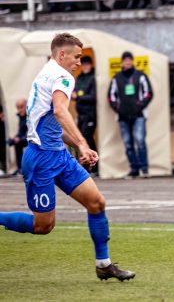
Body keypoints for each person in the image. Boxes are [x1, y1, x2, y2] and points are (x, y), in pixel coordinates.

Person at [0, 33, 135, 281]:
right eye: (76, 57)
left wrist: (76, 144)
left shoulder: (46, 73)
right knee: (43, 226)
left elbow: (52, 125)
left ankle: (104, 264)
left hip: (58, 155)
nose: (79, 63)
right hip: (41, 159)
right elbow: (61, 111)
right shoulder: (62, 76)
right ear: (62, 55)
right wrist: (83, 144)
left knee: (96, 202)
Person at [108, 51, 153, 179]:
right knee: (128, 143)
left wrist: (139, 106)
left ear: (133, 61)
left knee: (140, 141)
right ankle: (134, 169)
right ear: (122, 62)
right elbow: (111, 97)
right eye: (125, 60)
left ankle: (144, 169)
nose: (127, 62)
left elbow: (149, 93)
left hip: (139, 115)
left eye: (129, 60)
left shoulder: (141, 76)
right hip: (123, 117)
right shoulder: (117, 78)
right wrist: (119, 109)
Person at [73, 56, 98, 158]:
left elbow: (93, 97)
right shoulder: (79, 77)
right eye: (83, 64)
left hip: (90, 114)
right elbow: (74, 91)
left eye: (87, 64)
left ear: (91, 65)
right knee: (84, 139)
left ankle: (93, 163)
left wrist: (78, 96)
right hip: (81, 114)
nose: (85, 67)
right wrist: (75, 95)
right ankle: (92, 163)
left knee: (86, 138)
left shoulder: (94, 77)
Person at [7, 99, 28, 176]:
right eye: (18, 107)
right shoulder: (20, 117)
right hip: (24, 138)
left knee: (18, 142)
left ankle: (24, 168)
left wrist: (20, 138)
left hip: (34, 139)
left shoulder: (31, 116)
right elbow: (21, 131)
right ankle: (20, 168)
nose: (19, 110)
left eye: (21, 107)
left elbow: (31, 132)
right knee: (11, 142)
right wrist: (15, 138)